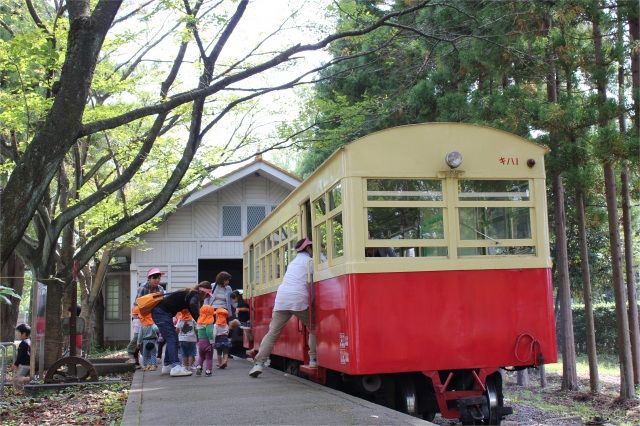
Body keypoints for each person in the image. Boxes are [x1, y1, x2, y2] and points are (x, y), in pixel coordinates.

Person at [249, 238, 317, 378]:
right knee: (313, 327)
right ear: (308, 248)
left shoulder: (292, 263)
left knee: (272, 332)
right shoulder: (310, 261)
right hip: (298, 299)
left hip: (281, 299)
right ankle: (313, 359)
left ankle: (258, 364)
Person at [152, 281, 212, 377]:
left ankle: (168, 365)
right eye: (207, 295)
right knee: (172, 339)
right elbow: (192, 305)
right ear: (203, 292)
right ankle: (176, 366)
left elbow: (192, 309)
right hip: (162, 313)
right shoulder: (195, 295)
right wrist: (200, 322)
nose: (206, 297)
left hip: (160, 312)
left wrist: (198, 321)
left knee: (172, 338)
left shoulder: (190, 293)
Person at [195, 304, 215, 376]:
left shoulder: (199, 321)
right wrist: (212, 341)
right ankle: (208, 371)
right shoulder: (209, 321)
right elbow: (209, 332)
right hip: (207, 342)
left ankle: (198, 366)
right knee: (209, 358)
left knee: (201, 356)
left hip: (200, 342)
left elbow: (197, 331)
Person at [12, 323, 31, 390]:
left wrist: (16, 364)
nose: (17, 334)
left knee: (16, 379)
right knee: (19, 380)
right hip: (28, 364)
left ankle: (31, 379)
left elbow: (20, 356)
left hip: (24, 365)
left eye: (18, 333)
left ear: (24, 333)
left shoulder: (23, 343)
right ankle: (23, 391)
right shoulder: (29, 341)